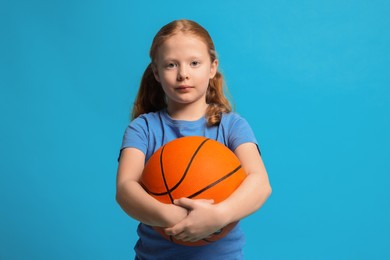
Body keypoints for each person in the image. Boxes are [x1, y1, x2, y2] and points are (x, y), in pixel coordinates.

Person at [116, 19, 272, 259]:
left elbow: (260, 183)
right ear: (156, 72)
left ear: (212, 67)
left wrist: (219, 215)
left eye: (194, 63)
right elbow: (126, 190)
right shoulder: (143, 129)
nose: (183, 74)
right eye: (171, 65)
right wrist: (169, 216)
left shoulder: (231, 126)